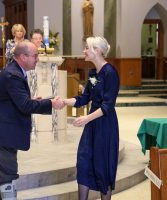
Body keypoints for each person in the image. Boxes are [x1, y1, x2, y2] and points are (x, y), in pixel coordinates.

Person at [0, 41, 64, 200]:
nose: (38, 59)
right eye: (35, 55)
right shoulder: (13, 75)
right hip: (1, 134)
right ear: (23, 57)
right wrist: (51, 103)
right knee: (8, 174)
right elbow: (25, 106)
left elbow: (16, 101)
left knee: (4, 174)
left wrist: (34, 100)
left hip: (1, 132)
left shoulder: (15, 71)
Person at [63, 36, 119, 200]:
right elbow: (85, 97)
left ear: (97, 51)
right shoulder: (94, 73)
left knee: (103, 166)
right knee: (84, 162)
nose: (84, 51)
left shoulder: (110, 73)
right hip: (92, 124)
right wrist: (65, 101)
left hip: (104, 125)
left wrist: (86, 119)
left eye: (87, 47)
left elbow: (107, 106)